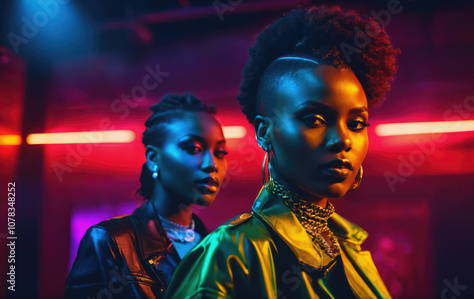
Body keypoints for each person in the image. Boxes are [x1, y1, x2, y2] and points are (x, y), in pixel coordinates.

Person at [165, 5, 399, 299]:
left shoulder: (351, 249)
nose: (342, 140)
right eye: (314, 119)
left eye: (356, 123)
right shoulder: (228, 254)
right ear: (264, 132)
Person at [65, 93, 228, 298]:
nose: (211, 164)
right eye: (194, 148)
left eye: (220, 152)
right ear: (153, 158)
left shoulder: (221, 250)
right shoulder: (111, 242)